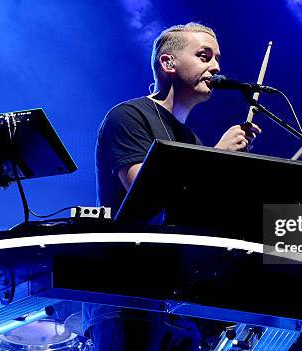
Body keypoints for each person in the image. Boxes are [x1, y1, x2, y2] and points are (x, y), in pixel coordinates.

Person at [86, 23, 261, 350]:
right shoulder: (127, 116)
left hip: (178, 299)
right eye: (204, 56)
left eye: (217, 59)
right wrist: (216, 157)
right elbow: (146, 190)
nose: (216, 67)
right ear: (168, 64)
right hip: (128, 298)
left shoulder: (190, 141)